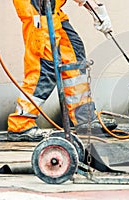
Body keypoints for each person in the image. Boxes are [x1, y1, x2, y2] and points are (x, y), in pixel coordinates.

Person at [8, 0, 116, 141]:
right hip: (37, 8)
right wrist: (96, 10)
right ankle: (20, 125)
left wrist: (97, 11)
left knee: (73, 55)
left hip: (53, 9)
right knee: (45, 66)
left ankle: (83, 118)